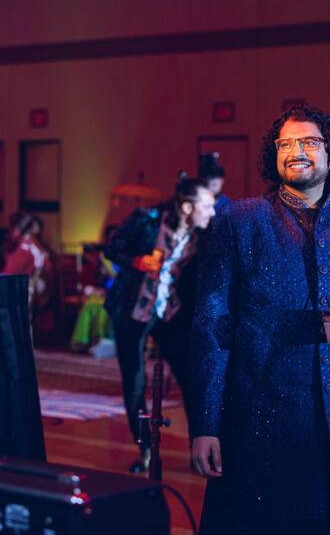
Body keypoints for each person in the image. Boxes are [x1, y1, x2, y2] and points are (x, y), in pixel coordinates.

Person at [189, 104, 330, 534]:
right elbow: (212, 327)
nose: (296, 150)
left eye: (308, 141)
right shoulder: (241, 220)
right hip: (263, 414)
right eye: (286, 143)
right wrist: (206, 424)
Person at [104, 177, 216, 473]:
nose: (213, 212)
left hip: (170, 311)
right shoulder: (147, 219)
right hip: (133, 310)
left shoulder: (200, 234)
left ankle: (198, 447)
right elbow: (112, 247)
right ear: (188, 207)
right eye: (208, 206)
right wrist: (138, 261)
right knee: (136, 383)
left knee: (191, 377)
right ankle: (146, 450)